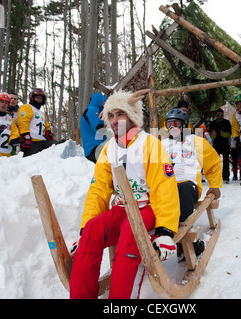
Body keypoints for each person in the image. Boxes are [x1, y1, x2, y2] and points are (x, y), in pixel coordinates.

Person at [69, 89, 181, 299]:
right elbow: (99, 190)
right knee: (92, 230)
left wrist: (165, 231)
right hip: (121, 208)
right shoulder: (108, 148)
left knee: (131, 232)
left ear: (132, 115)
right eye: (110, 115)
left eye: (119, 114)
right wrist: (85, 229)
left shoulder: (150, 144)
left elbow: (163, 188)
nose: (114, 120)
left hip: (146, 208)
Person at [161, 108, 222, 257]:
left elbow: (213, 163)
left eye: (176, 123)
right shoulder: (161, 144)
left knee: (185, 188)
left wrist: (214, 186)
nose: (172, 127)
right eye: (169, 124)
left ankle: (186, 235)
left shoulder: (196, 141)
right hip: (168, 187)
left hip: (189, 186)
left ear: (184, 124)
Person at [17, 88, 56, 157]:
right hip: (31, 141)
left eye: (40, 98)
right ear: (32, 98)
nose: (39, 100)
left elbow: (46, 126)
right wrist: (26, 136)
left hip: (42, 141)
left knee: (58, 146)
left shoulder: (42, 113)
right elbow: (23, 122)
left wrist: (48, 132)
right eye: (37, 98)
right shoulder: (27, 107)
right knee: (32, 161)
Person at [80, 92, 108, 163]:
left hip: (95, 149)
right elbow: (99, 128)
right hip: (94, 150)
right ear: (98, 101)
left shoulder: (95, 110)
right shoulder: (92, 110)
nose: (105, 104)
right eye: (104, 102)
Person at [209, 108, 232, 182]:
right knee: (216, 162)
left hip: (225, 144)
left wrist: (223, 134)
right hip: (216, 144)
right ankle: (216, 177)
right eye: (218, 115)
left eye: (221, 115)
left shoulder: (227, 122)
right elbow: (211, 135)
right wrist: (214, 135)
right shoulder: (212, 123)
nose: (220, 117)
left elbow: (229, 133)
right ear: (216, 116)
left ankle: (226, 177)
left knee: (226, 161)